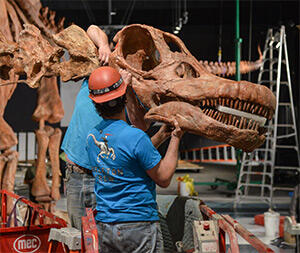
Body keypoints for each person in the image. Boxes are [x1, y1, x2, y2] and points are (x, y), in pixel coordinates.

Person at [62, 25, 171, 230]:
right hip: (76, 171)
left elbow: (140, 129)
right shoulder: (101, 72)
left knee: (103, 237)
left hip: (105, 178)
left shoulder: (137, 94)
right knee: (82, 238)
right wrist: (102, 45)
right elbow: (93, 28)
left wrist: (127, 89)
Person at [86, 66, 184, 252]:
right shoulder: (136, 137)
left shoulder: (92, 137)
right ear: (124, 97)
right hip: (138, 225)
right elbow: (163, 178)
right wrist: (176, 138)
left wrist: (162, 135)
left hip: (106, 226)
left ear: (95, 103)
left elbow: (127, 157)